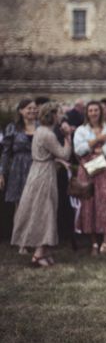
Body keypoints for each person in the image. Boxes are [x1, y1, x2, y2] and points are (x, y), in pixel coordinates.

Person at [11, 103, 72, 267]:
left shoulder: (40, 131)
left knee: (45, 211)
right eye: (58, 114)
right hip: (44, 176)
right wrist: (67, 136)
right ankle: (38, 255)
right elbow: (64, 153)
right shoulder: (48, 135)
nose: (61, 117)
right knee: (45, 212)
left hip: (38, 172)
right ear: (52, 115)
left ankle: (45, 251)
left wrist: (57, 160)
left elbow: (46, 154)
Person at [73, 101, 106, 259]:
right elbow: (79, 149)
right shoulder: (81, 130)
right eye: (90, 110)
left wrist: (101, 149)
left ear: (101, 112)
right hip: (87, 169)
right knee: (89, 204)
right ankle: (94, 243)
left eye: (96, 110)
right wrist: (98, 140)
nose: (94, 113)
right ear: (86, 113)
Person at [0, 99, 38, 244]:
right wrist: (1, 172)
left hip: (37, 167)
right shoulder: (13, 128)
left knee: (36, 204)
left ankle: (34, 239)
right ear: (21, 111)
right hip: (18, 169)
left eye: (34, 108)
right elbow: (5, 153)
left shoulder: (41, 127)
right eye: (29, 108)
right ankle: (20, 240)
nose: (32, 111)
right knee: (21, 205)